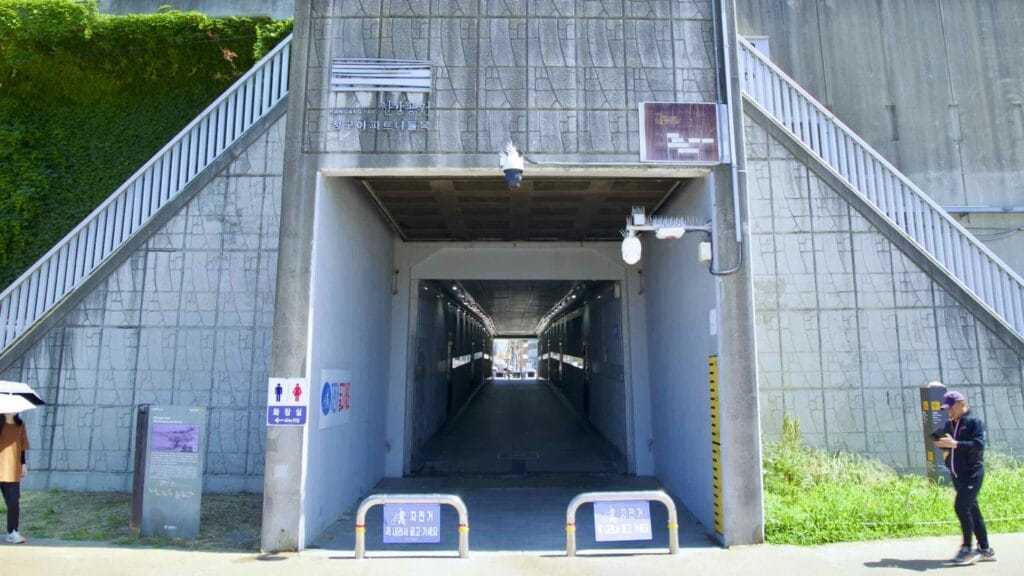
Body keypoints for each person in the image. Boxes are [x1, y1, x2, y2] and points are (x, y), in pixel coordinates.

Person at [933, 391, 995, 565]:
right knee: (972, 510)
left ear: (961, 403)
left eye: (950, 407)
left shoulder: (974, 422)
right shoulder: (950, 424)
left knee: (961, 507)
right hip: (957, 475)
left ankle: (967, 548)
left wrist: (956, 444)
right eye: (946, 409)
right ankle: (985, 549)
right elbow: (936, 437)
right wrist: (938, 442)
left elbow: (979, 444)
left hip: (972, 474)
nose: (949, 412)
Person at [1, 412, 30, 544]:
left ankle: (13, 532)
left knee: (13, 503)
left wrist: (23, 464)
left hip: (12, 469)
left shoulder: (20, 425)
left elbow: (22, 447)